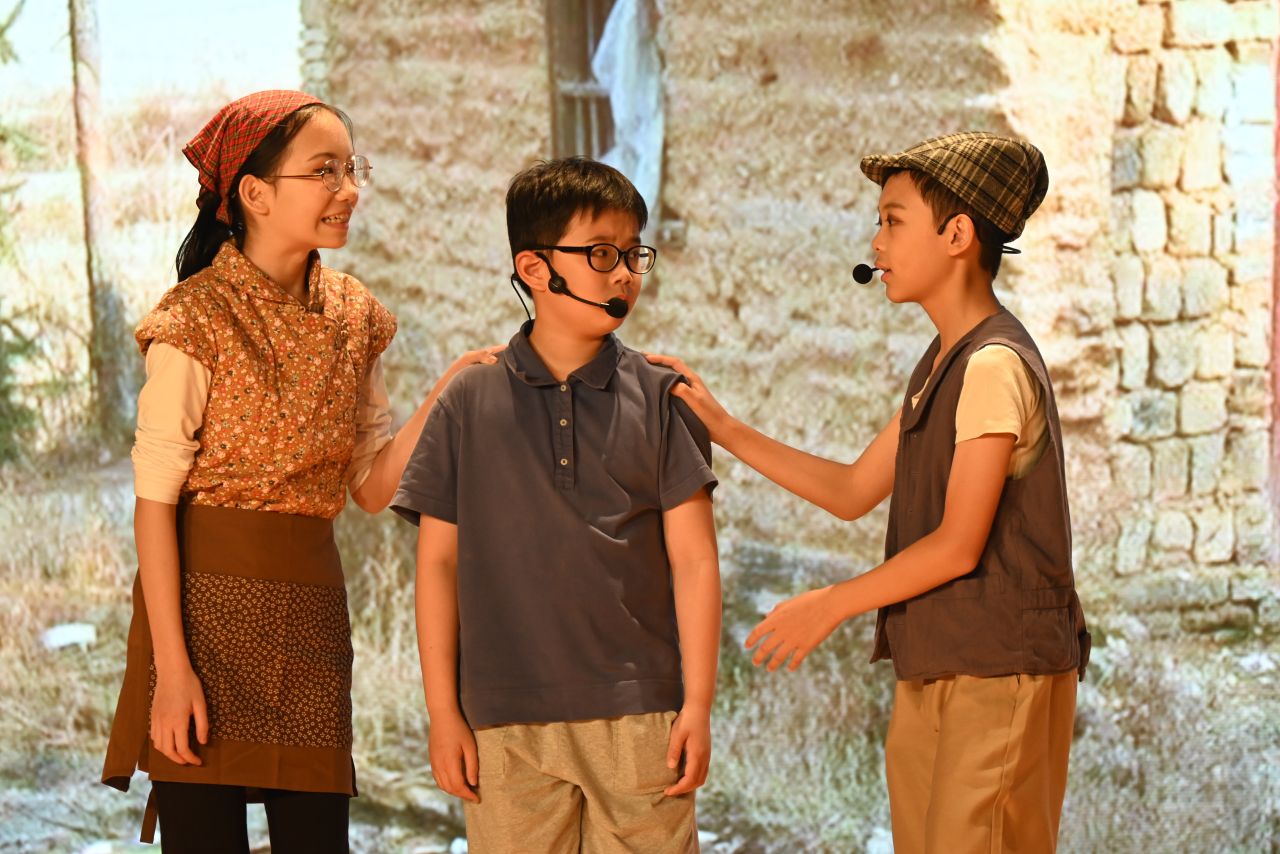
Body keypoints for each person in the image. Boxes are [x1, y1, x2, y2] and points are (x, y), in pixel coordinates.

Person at [647, 132, 1089, 853]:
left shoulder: (993, 366)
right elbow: (853, 490)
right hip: (942, 660)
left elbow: (957, 545)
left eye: (892, 221)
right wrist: (725, 428)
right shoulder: (942, 361)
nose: (876, 243)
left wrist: (830, 604)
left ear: (957, 236)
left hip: (1000, 667)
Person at [100, 90, 500, 852]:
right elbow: (154, 507)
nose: (348, 190)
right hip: (199, 627)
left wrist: (447, 392)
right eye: (324, 171)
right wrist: (173, 673)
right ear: (254, 194)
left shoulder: (355, 318)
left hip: (312, 625)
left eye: (352, 170)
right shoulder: (192, 321)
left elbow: (371, 487)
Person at [390, 157, 721, 852]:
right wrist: (443, 713)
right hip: (503, 720)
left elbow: (695, 562)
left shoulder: (662, 396)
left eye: (633, 253)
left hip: (639, 716)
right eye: (601, 253)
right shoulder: (466, 402)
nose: (624, 273)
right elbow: (438, 566)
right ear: (535, 268)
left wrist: (697, 704)